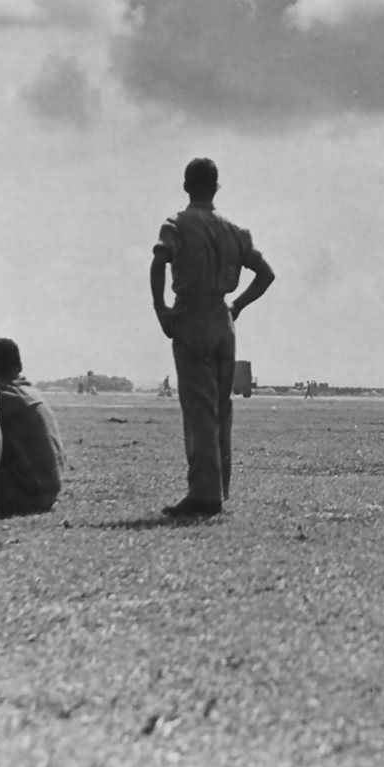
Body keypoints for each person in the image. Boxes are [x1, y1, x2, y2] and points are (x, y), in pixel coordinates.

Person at [150, 157, 275, 518]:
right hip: (223, 319)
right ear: (216, 187)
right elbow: (265, 273)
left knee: (199, 408)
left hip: (191, 314)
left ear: (186, 186)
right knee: (222, 407)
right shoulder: (235, 230)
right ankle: (220, 487)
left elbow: (159, 261)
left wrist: (161, 309)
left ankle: (204, 494)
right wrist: (237, 306)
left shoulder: (176, 223)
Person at [0, 337, 64, 517]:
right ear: (18, 366)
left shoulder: (3, 398)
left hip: (28, 497)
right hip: (48, 493)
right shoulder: (32, 393)